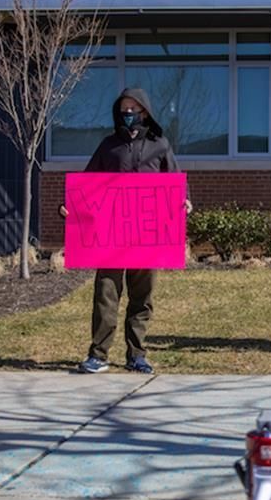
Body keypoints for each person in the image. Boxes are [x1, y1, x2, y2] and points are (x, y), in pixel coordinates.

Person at [61, 87, 188, 374]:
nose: (128, 114)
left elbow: (175, 181)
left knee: (142, 295)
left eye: (134, 108)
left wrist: (185, 200)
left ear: (145, 111)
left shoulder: (160, 145)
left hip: (147, 235)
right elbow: (87, 183)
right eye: (124, 109)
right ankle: (98, 354)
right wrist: (71, 207)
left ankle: (137, 354)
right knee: (106, 293)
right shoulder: (108, 146)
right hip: (111, 236)